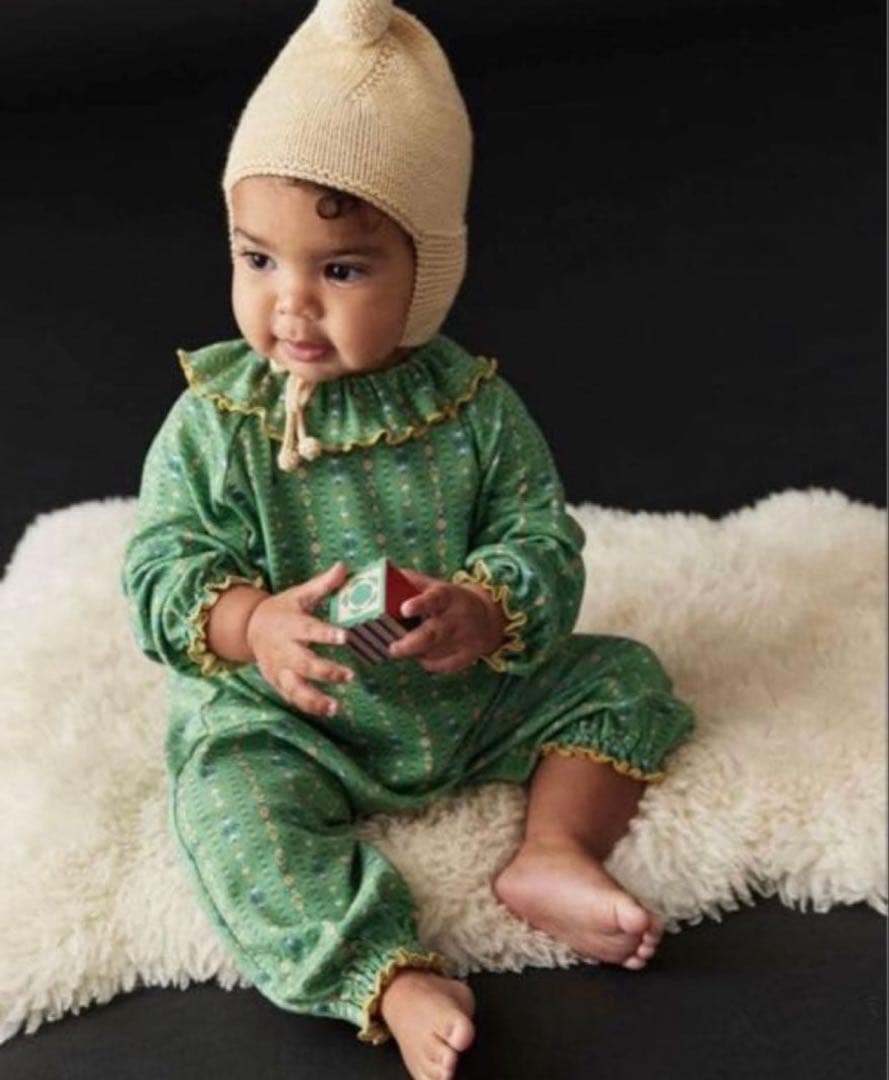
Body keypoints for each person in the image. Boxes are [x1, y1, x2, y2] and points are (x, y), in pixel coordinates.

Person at [121, 1, 696, 1076]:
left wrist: (485, 607)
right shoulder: (217, 420)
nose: (290, 304)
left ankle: (553, 852)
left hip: (458, 698)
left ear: (424, 273)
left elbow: (540, 535)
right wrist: (252, 625)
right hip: (294, 719)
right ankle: (386, 973)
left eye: (340, 270)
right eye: (257, 259)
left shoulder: (473, 410)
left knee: (625, 679)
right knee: (226, 808)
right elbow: (162, 565)